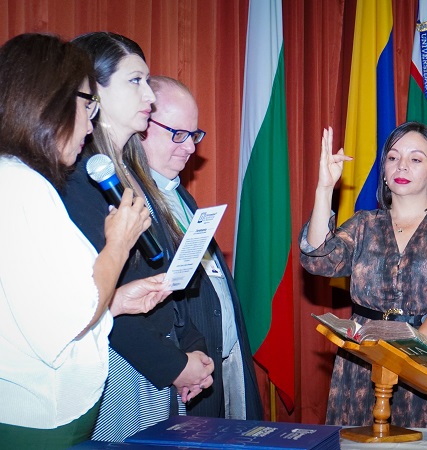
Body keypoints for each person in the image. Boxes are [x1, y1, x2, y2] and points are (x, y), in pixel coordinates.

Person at [0, 33, 172, 448]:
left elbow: (38, 310)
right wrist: (118, 244)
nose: (89, 120)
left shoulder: (15, 178)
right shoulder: (23, 187)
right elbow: (69, 319)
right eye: (86, 103)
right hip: (42, 422)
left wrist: (115, 302)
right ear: (53, 101)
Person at [60, 32, 214, 441]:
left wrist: (189, 351)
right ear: (94, 89)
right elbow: (93, 299)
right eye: (135, 81)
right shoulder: (79, 179)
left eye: (148, 81)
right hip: (119, 368)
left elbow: (165, 283)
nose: (148, 93)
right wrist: (172, 365)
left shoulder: (135, 175)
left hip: (158, 369)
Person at [299, 122, 427, 428]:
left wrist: (412, 350)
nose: (402, 165)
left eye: (416, 158)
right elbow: (318, 261)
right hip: (364, 360)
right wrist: (324, 188)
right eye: (393, 157)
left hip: (426, 358)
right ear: (383, 170)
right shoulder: (364, 223)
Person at [140, 75, 263, 419]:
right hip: (177, 375)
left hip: (217, 361)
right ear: (140, 125)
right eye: (177, 134)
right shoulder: (131, 200)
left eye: (193, 135)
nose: (191, 148)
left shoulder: (181, 196)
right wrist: (185, 359)